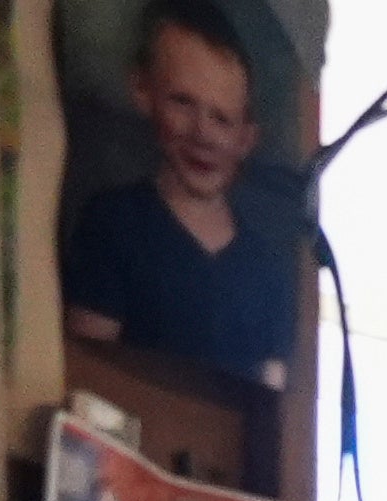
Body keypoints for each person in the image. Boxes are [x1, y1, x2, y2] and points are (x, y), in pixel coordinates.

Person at [62, 0, 303, 392]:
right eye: (183, 103)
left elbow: (268, 404)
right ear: (143, 91)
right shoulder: (112, 224)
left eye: (222, 118)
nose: (203, 134)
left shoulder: (267, 275)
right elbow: (86, 371)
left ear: (246, 138)